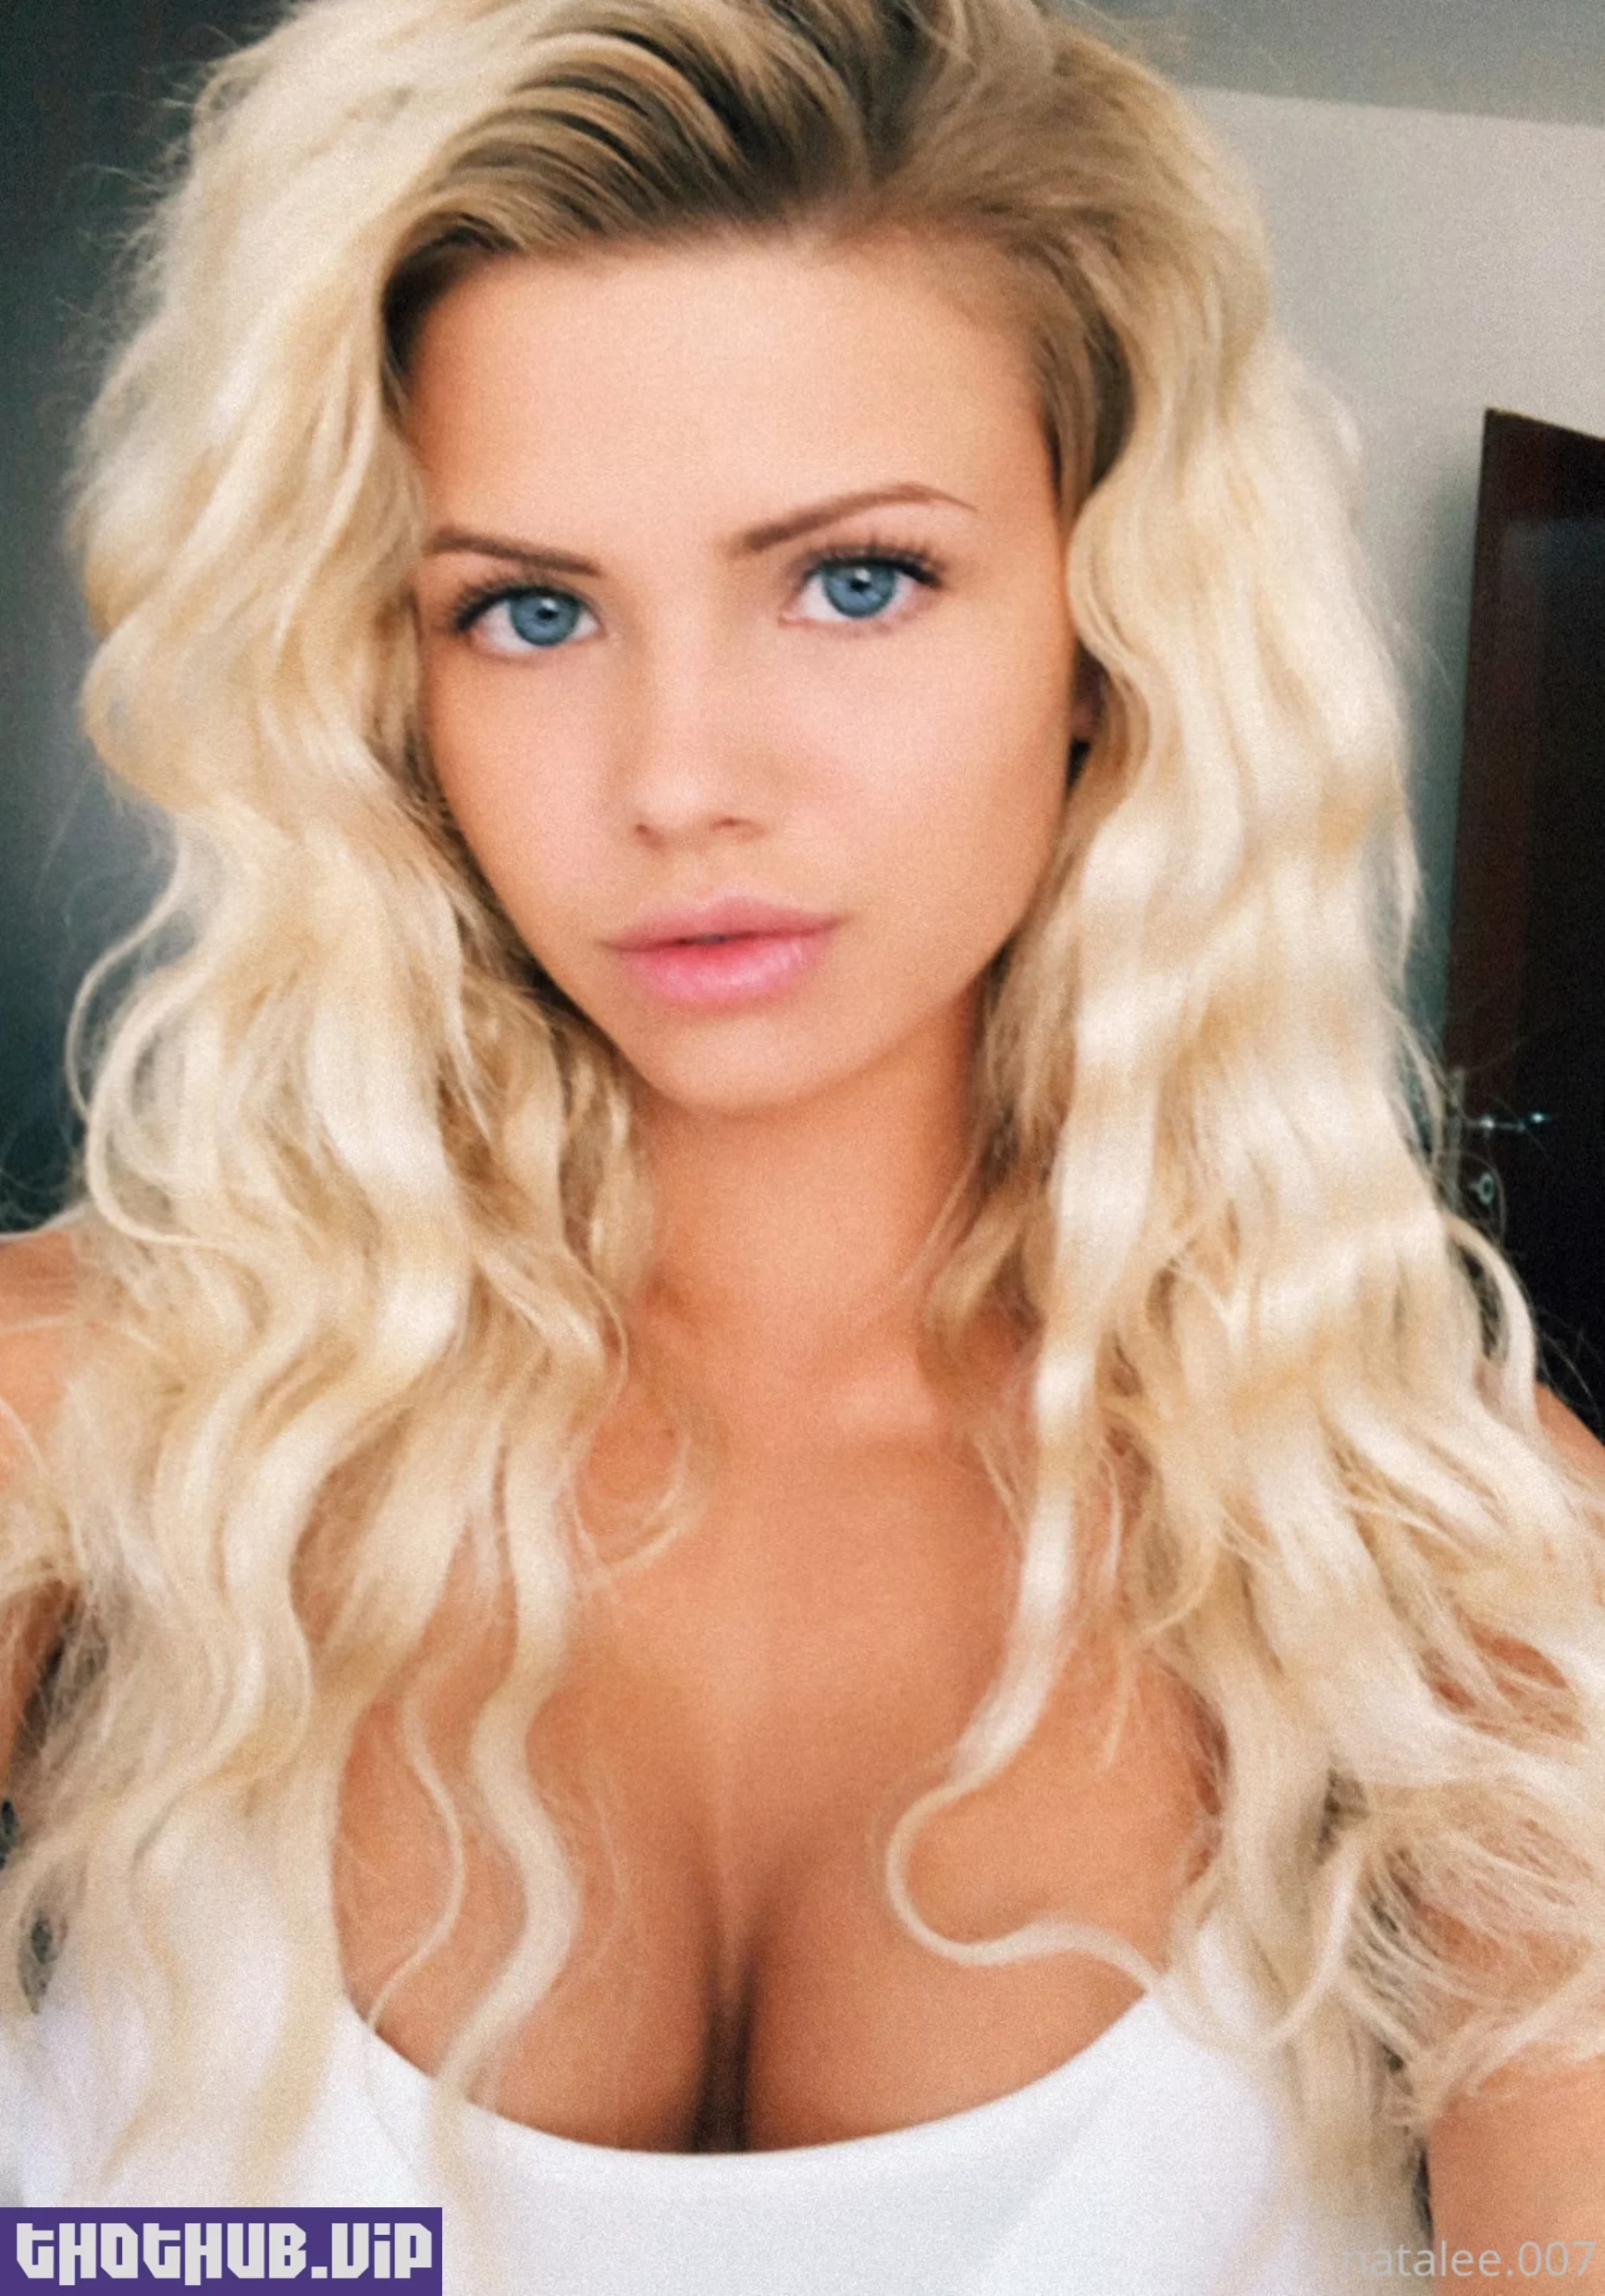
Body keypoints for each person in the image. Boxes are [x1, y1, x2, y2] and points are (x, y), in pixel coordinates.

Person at [2, 0, 1602, 2285]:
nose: (679, 777)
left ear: (1107, 628)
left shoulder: (1452, 1565)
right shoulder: (85, 1420)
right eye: (528, 609)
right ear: (389, 678)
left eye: (855, 577)